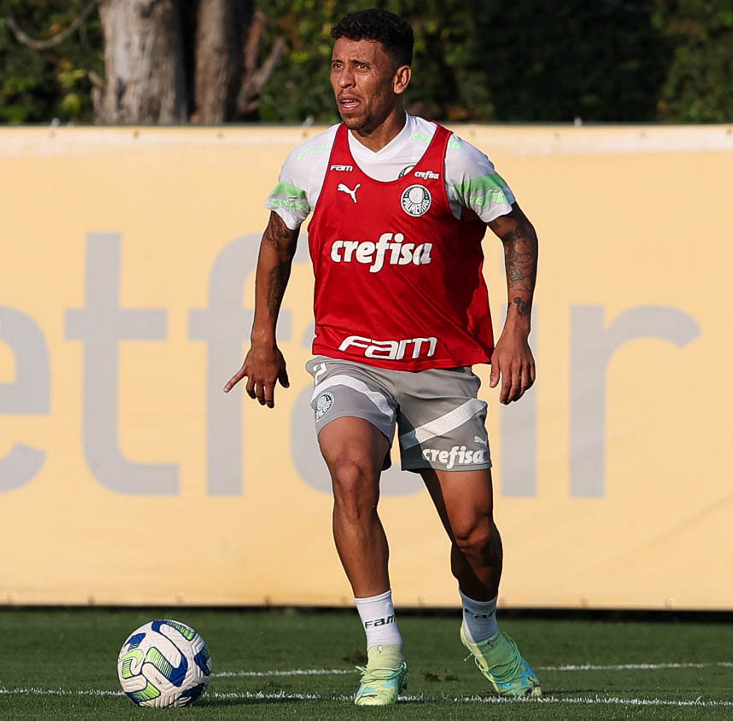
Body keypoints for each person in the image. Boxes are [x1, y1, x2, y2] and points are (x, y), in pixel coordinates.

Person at [224, 8, 541, 706]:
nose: (344, 81)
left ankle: (482, 629)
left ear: (398, 79)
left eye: (360, 68)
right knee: (350, 473)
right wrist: (261, 338)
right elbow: (276, 241)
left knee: (474, 534)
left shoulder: (455, 160)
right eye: (337, 66)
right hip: (349, 360)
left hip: (439, 368)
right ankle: (383, 648)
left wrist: (515, 329)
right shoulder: (310, 162)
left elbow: (519, 235)